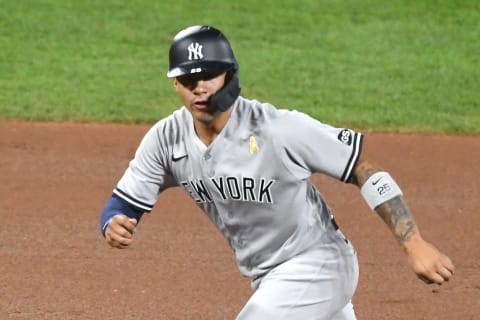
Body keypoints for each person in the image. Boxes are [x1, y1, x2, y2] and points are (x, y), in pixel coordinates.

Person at [99, 25, 454, 319]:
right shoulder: (166, 139)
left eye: (209, 75)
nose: (200, 87)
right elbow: (124, 202)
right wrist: (114, 222)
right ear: (175, 84)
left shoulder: (278, 129)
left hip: (320, 264)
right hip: (269, 279)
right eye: (189, 79)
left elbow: (364, 167)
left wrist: (414, 244)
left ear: (230, 76)